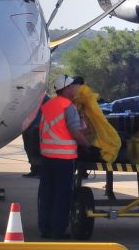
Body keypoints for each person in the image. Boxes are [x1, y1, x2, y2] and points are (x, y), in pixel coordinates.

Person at [38, 74, 93, 239]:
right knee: (62, 195)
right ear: (67, 89)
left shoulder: (48, 105)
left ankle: (45, 229)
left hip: (47, 157)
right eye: (73, 87)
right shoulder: (68, 106)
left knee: (46, 194)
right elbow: (75, 131)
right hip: (64, 158)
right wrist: (88, 146)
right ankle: (58, 231)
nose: (75, 89)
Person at [21, 94, 49, 178]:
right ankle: (34, 169)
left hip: (36, 126)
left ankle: (39, 170)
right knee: (29, 149)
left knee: (36, 149)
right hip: (27, 126)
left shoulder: (43, 97)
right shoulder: (26, 96)